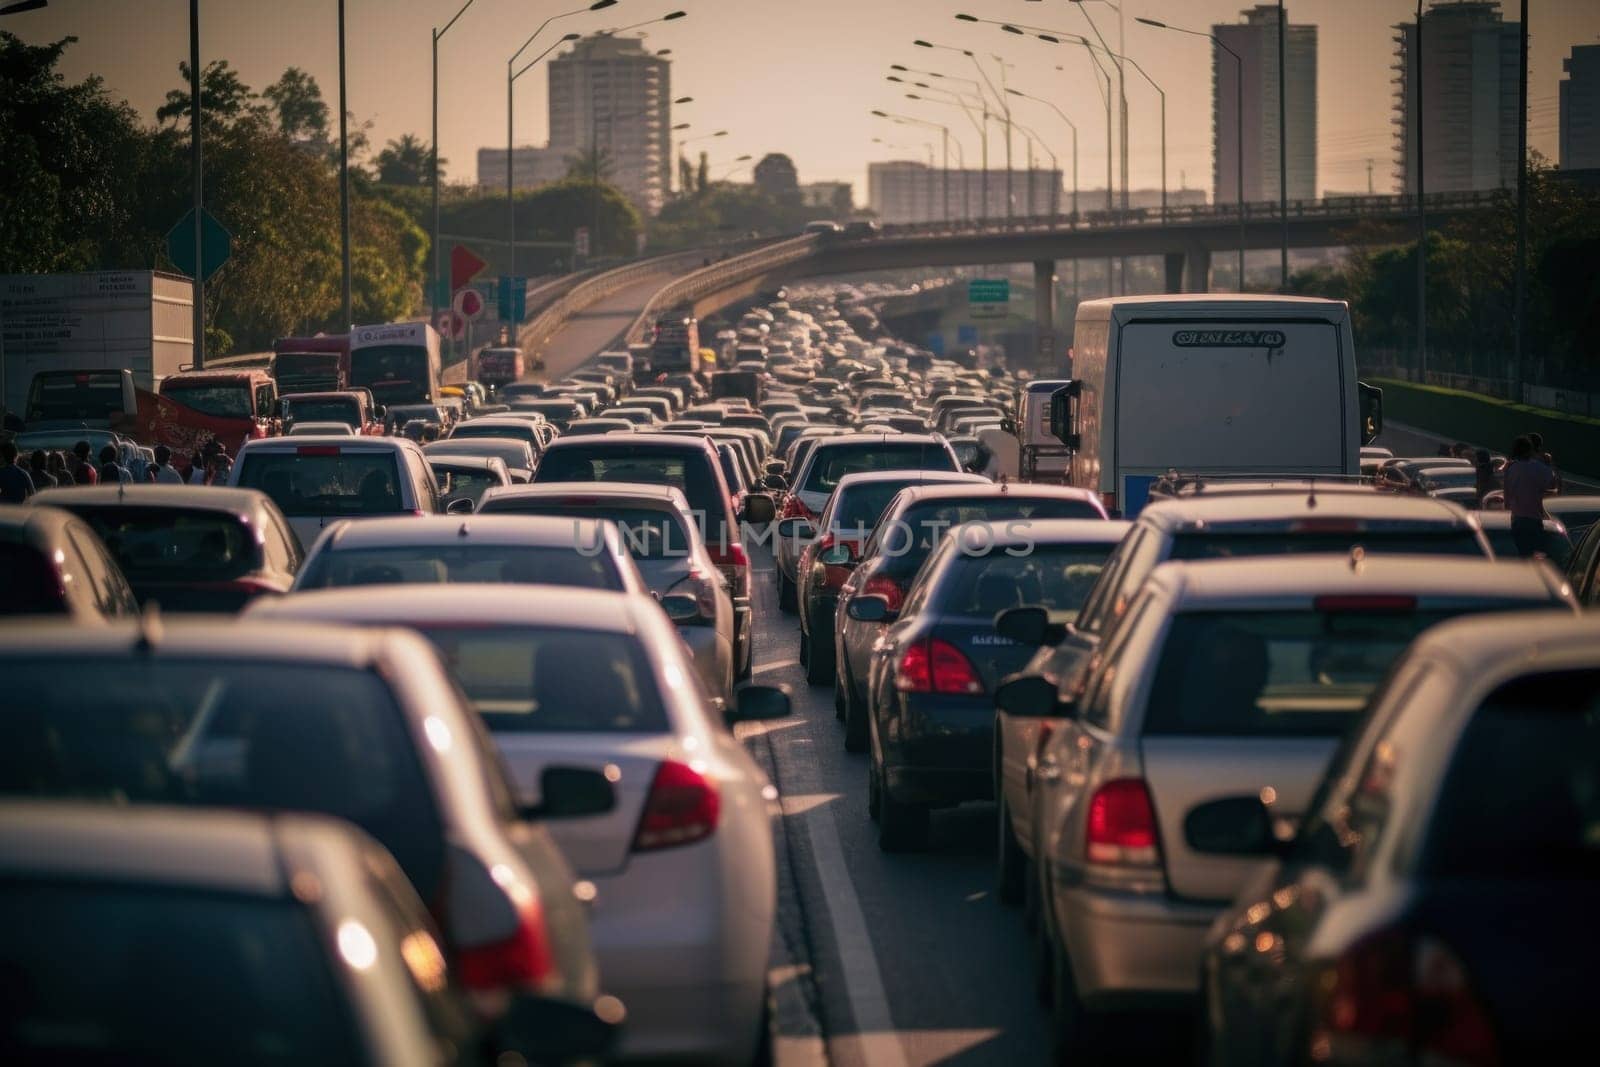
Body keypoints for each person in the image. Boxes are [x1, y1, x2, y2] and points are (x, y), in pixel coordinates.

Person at [1502, 435, 1558, 558]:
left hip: (1517, 518)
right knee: (1534, 555)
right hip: (1534, 518)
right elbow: (1553, 484)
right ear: (1530, 450)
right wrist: (1548, 464)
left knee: (1522, 554)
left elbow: (1507, 497)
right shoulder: (1540, 468)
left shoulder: (1510, 469)